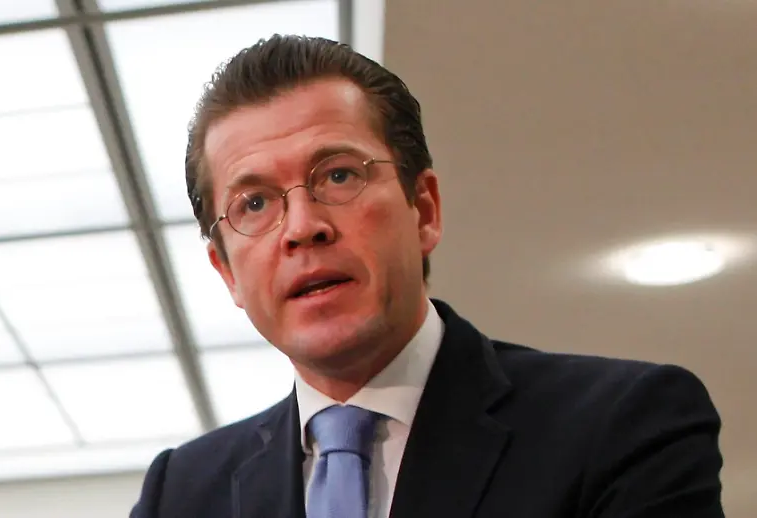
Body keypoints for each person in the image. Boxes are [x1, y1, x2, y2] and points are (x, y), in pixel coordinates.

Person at [129, 35, 724, 518]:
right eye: (254, 204)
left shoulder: (623, 425)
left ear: (425, 209)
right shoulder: (179, 495)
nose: (303, 227)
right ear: (226, 272)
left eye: (338, 175)